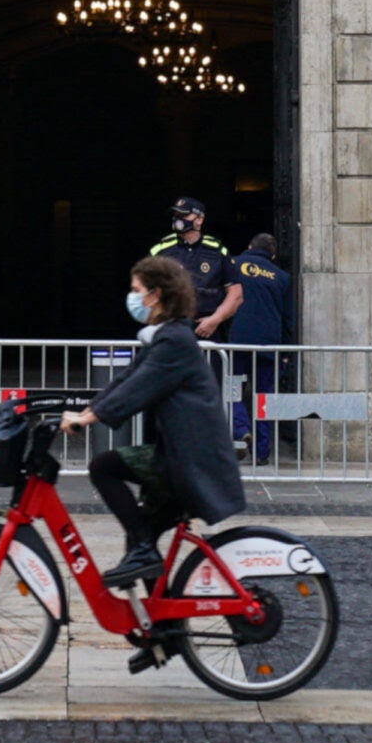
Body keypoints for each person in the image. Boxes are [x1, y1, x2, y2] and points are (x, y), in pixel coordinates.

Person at [59, 256, 245, 588]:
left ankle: (146, 559)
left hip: (189, 461)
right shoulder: (166, 337)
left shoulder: (174, 341)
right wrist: (83, 408)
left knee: (104, 467)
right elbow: (125, 380)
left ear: (155, 294)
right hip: (184, 456)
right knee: (139, 538)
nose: (131, 297)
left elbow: (137, 389)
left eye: (136, 290)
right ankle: (159, 631)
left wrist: (87, 418)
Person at [200, 234, 295, 465]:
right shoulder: (281, 277)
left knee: (231, 389)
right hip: (269, 345)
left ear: (249, 247)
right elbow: (288, 319)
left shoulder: (232, 264)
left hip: (237, 341)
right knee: (263, 397)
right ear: (272, 255)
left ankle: (241, 428)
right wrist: (285, 354)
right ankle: (261, 453)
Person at [147, 196, 228, 327]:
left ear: (199, 219)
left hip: (208, 331)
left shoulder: (218, 251)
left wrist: (215, 319)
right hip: (170, 328)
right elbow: (144, 290)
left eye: (183, 215)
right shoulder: (160, 250)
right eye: (176, 214)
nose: (178, 219)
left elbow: (235, 293)